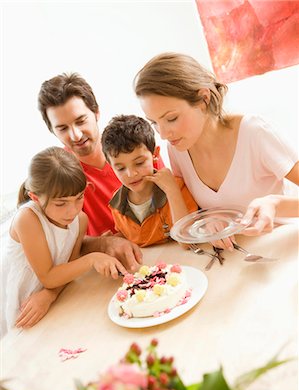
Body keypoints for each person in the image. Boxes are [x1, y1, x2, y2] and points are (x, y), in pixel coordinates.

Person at [133, 52, 299, 247]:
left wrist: (276, 204)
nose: (163, 134)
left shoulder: (254, 132)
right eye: (154, 123)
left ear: (204, 99)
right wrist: (210, 222)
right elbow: (193, 220)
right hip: (240, 258)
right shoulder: (177, 149)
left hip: (288, 247)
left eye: (171, 119)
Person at [37, 73, 162, 264]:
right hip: (115, 266)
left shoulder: (135, 146)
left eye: (80, 121)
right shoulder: (58, 174)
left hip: (161, 246)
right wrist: (103, 244)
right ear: (52, 131)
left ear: (96, 113)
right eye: (62, 128)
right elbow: (65, 244)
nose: (76, 135)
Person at [0, 147, 127, 336]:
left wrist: (49, 294)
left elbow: (67, 269)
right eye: (61, 203)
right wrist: (92, 259)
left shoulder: (80, 220)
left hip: (51, 300)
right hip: (22, 305)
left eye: (79, 198)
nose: (73, 210)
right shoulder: (27, 219)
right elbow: (48, 276)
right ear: (35, 197)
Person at [101, 115, 198, 247]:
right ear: (110, 165)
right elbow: (129, 237)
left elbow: (186, 241)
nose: (131, 174)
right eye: (121, 168)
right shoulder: (117, 205)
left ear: (155, 154)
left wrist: (172, 191)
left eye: (139, 163)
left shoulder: (176, 187)